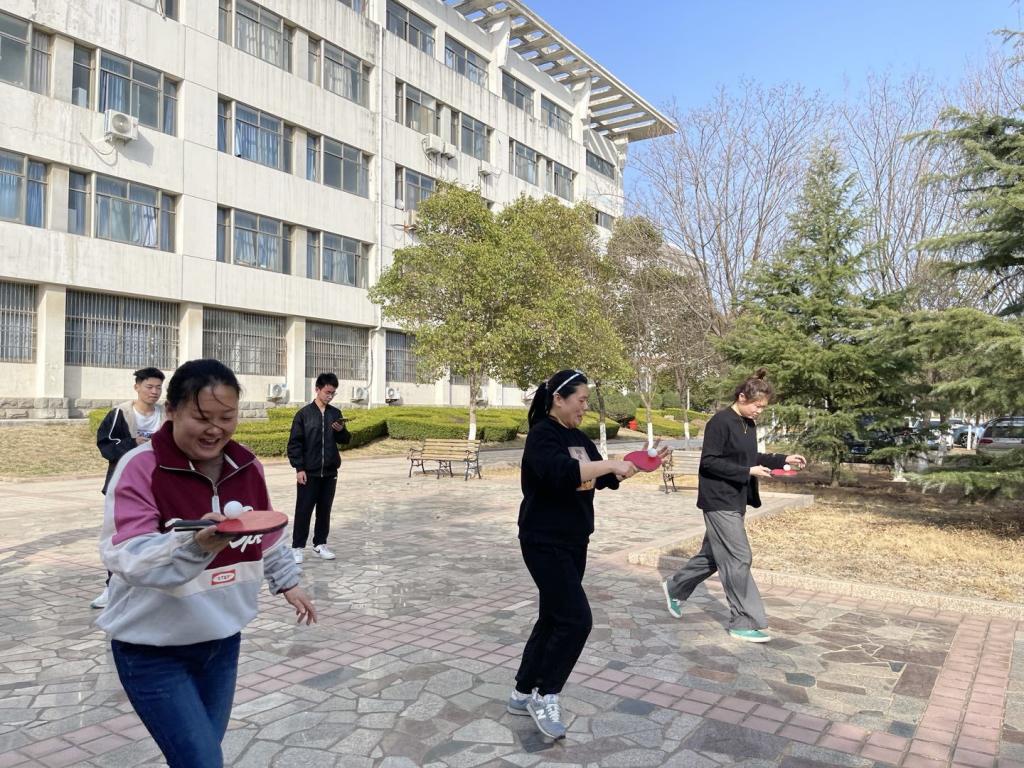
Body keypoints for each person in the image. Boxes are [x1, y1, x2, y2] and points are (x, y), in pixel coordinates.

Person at [96, 359, 316, 768]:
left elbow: (266, 531)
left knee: (201, 758)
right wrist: (196, 545)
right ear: (172, 410)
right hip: (152, 649)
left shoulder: (247, 466)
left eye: (226, 417)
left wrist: (288, 581)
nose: (215, 429)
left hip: (221, 643)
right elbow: (127, 555)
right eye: (201, 417)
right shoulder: (141, 467)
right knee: (202, 762)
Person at [509, 369, 667, 740]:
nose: (584, 407)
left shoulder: (579, 438)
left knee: (553, 616)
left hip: (575, 540)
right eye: (580, 400)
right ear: (558, 399)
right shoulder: (542, 435)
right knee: (576, 620)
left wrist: (640, 461)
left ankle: (522, 691)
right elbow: (561, 472)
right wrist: (610, 464)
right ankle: (546, 694)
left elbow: (606, 477)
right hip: (543, 540)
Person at [661, 369, 806, 643]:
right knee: (739, 557)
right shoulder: (720, 422)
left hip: (736, 499)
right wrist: (747, 471)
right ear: (741, 397)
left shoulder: (747, 423)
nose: (759, 411)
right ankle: (743, 621)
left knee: (713, 556)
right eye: (757, 406)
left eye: (763, 407)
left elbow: (751, 456)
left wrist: (783, 458)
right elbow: (709, 462)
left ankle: (675, 587)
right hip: (718, 500)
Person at [92, 367, 167, 609]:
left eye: (158, 387)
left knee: (159, 536)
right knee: (119, 537)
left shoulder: (166, 414)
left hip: (159, 485)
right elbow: (105, 444)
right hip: (124, 485)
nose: (154, 392)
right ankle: (112, 588)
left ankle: (153, 589)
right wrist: (132, 443)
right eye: (149, 386)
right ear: (137, 387)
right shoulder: (120, 413)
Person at [287, 373, 351, 563]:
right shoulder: (303, 415)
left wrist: (341, 431)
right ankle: (297, 547)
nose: (330, 396)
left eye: (333, 393)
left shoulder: (335, 414)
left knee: (325, 510)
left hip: (330, 472)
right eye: (327, 392)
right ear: (317, 389)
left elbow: (345, 440)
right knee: (304, 510)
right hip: (309, 472)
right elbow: (294, 444)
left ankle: (320, 544)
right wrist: (299, 468)